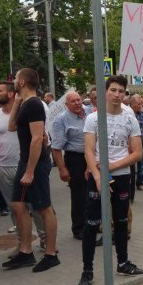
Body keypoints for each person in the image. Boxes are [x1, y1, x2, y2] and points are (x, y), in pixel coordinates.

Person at [78, 75, 143, 285]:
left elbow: (137, 153)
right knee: (91, 224)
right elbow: (88, 150)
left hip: (122, 176)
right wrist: (99, 176)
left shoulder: (129, 118)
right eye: (113, 90)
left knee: (122, 221)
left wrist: (109, 167)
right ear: (105, 91)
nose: (117, 95)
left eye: (121, 91)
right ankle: (87, 271)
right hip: (97, 177)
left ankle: (123, 263)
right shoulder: (93, 119)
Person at [2, 68, 60, 272]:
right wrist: (17, 102)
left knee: (44, 207)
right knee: (18, 205)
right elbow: (11, 127)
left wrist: (30, 171)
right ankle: (26, 252)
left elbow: (37, 138)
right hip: (25, 161)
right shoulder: (25, 103)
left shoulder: (35, 104)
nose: (14, 81)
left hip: (34, 163)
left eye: (16, 78)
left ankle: (51, 254)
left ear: (22, 82)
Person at [51, 92, 88, 240]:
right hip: (75, 159)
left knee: (93, 193)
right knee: (79, 195)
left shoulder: (90, 113)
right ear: (66, 105)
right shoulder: (61, 120)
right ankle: (79, 228)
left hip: (92, 157)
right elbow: (56, 147)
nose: (77, 103)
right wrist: (62, 169)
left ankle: (92, 223)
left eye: (78, 100)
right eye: (73, 101)